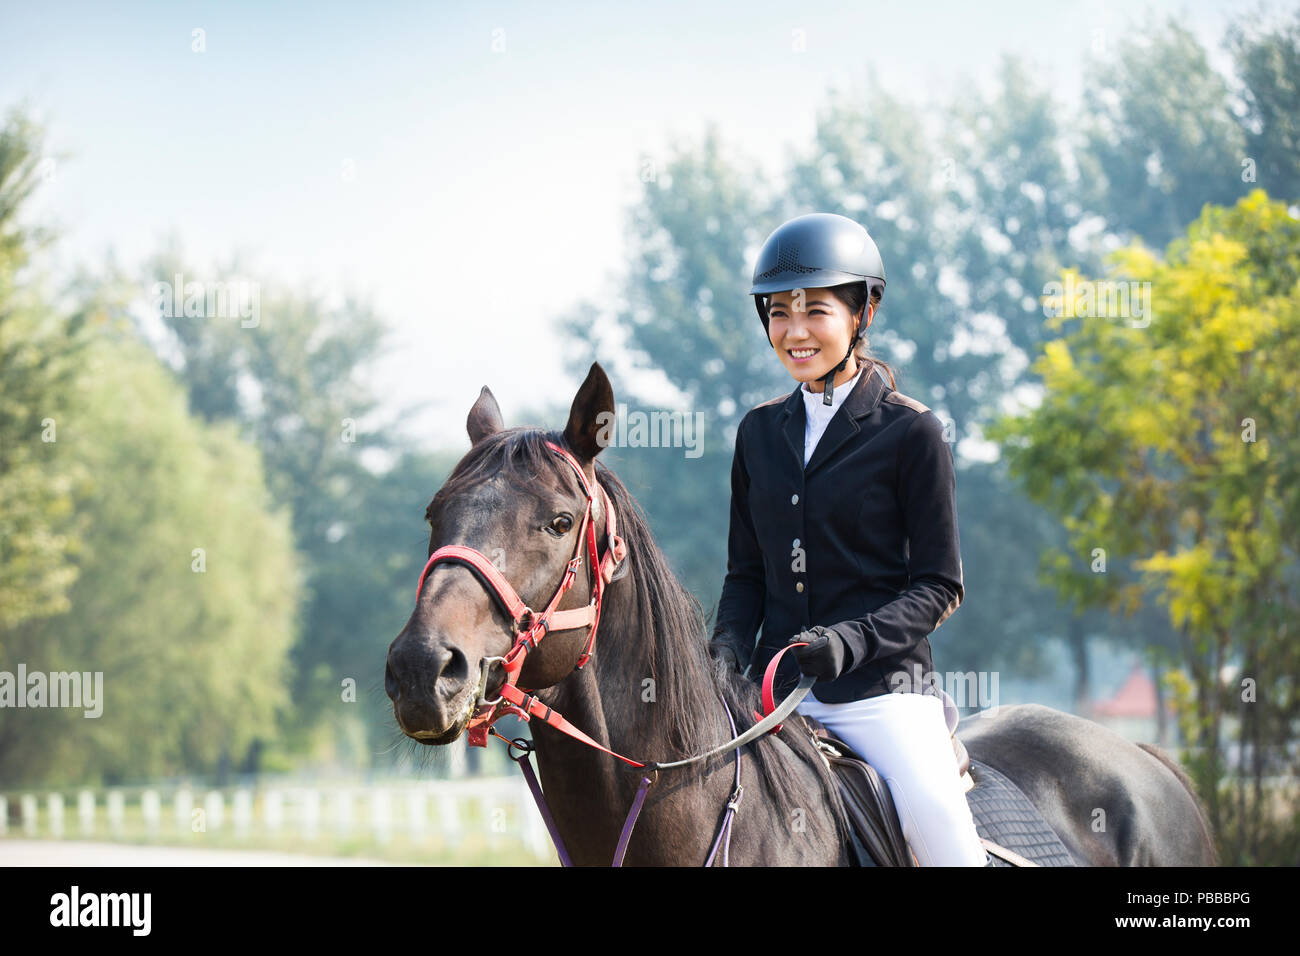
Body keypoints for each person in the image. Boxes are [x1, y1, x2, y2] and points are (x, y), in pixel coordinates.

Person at [709, 212, 991, 866]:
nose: (795, 331)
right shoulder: (757, 434)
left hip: (882, 697)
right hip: (771, 698)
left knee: (943, 834)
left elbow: (939, 586)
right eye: (779, 312)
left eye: (816, 312)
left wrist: (849, 641)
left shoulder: (911, 432)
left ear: (862, 312)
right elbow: (746, 575)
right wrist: (725, 650)